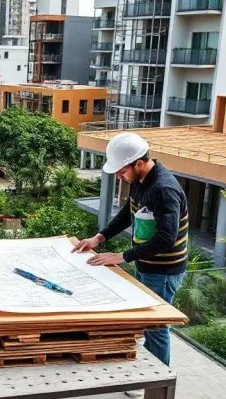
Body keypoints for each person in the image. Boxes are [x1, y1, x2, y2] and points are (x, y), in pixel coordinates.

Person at [73, 132, 188, 371]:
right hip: (147, 266)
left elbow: (167, 237)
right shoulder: (139, 182)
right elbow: (128, 213)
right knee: (146, 325)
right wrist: (99, 237)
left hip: (164, 271)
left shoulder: (164, 189)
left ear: (139, 163)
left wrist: (122, 257)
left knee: (155, 327)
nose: (118, 176)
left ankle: (157, 379)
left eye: (121, 171)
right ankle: (146, 371)